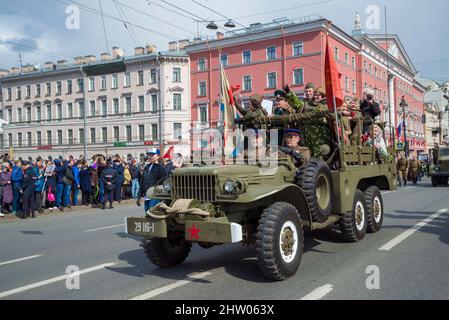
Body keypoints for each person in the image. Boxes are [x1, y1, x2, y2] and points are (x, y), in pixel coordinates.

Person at [301, 87, 332, 159]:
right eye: (315, 95)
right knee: (309, 152)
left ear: (323, 96)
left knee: (320, 153)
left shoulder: (326, 105)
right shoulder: (309, 104)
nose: (315, 96)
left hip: (320, 132)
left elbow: (334, 114)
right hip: (308, 132)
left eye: (318, 95)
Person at [137, 148, 167, 213]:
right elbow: (142, 182)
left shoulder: (160, 167)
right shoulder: (146, 166)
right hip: (147, 194)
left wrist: (163, 198)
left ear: (158, 156)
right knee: (147, 213)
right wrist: (139, 197)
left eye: (152, 155)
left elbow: (164, 182)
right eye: (149, 155)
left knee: (152, 213)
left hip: (155, 194)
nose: (150, 156)